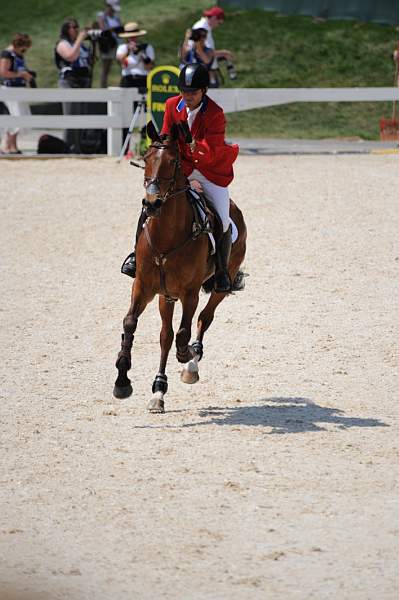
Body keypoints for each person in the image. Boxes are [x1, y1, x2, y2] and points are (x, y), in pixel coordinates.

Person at [121, 64, 239, 293]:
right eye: (184, 92)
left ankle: (222, 271)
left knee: (223, 219)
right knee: (150, 205)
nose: (188, 97)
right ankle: (136, 257)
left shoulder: (215, 114)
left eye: (193, 93)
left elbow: (212, 150)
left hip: (210, 172)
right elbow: (166, 138)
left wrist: (194, 145)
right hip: (182, 169)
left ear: (204, 91)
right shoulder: (172, 105)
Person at [55, 18, 93, 151]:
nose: (77, 29)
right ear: (66, 29)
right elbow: (71, 56)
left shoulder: (81, 45)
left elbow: (88, 60)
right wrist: (80, 39)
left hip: (82, 81)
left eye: (78, 27)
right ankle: (68, 146)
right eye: (74, 27)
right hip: (69, 82)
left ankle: (79, 146)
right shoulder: (62, 44)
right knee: (71, 115)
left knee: (82, 115)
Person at [0, 33, 33, 154]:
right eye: (24, 48)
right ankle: (7, 146)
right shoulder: (7, 54)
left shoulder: (19, 55)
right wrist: (21, 75)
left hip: (19, 89)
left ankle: (13, 146)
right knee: (15, 117)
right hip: (10, 90)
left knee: (19, 118)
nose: (25, 51)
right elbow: (3, 72)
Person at [192, 6, 233, 87]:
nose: (218, 25)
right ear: (214, 18)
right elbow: (200, 51)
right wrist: (223, 53)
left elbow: (206, 50)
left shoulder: (206, 27)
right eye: (219, 23)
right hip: (200, 70)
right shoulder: (201, 28)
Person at [116, 22, 155, 89]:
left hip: (143, 78)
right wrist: (128, 50)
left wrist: (141, 53)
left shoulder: (147, 47)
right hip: (127, 78)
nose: (132, 38)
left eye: (134, 36)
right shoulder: (123, 47)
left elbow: (149, 66)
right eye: (130, 37)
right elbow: (121, 62)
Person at [96, 1, 123, 87]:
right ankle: (103, 89)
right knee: (106, 68)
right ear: (108, 6)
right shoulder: (102, 16)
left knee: (123, 66)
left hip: (118, 45)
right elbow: (103, 30)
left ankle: (124, 86)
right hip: (108, 46)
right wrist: (114, 29)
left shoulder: (116, 16)